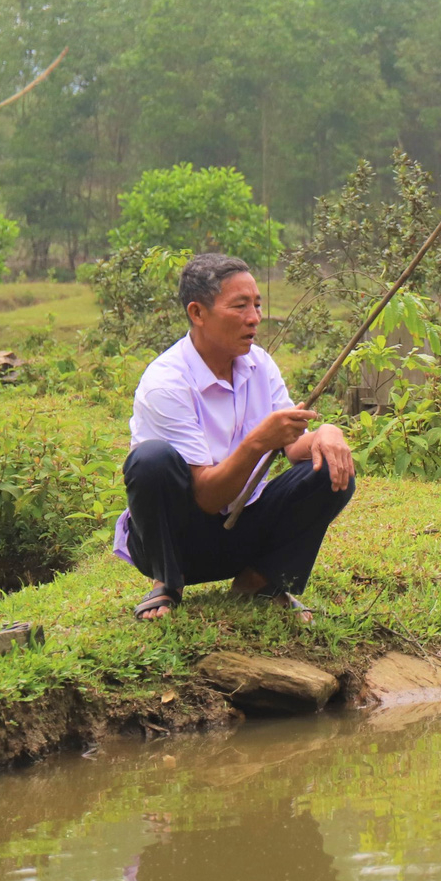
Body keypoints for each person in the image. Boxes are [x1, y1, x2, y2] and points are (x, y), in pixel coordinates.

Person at [115, 252, 356, 623]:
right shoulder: (166, 383)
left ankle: (258, 581)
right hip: (181, 541)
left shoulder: (259, 364)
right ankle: (168, 583)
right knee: (151, 460)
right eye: (240, 306)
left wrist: (327, 433)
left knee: (331, 469)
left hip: (245, 530)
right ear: (197, 313)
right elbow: (208, 499)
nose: (254, 319)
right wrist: (258, 441)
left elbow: (295, 448)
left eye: (257, 305)